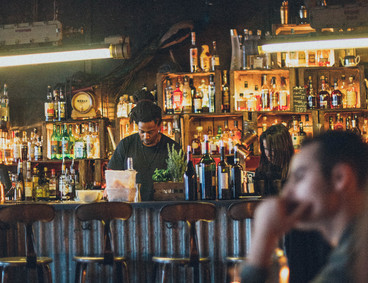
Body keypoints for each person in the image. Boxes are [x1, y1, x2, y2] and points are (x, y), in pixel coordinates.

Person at [241, 130, 368, 283]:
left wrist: (263, 237)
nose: (286, 193)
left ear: (340, 177)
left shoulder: (353, 261)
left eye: (299, 177)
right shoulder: (352, 247)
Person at [108, 90, 181, 201]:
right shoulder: (126, 145)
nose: (146, 136)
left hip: (165, 208)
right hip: (131, 209)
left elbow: (183, 183)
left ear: (159, 125)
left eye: (150, 132)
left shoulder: (173, 149)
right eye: (142, 131)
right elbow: (112, 177)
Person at [255, 124, 294, 196]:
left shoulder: (297, 171)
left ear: (284, 147)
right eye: (266, 149)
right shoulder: (261, 172)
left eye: (272, 149)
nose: (268, 154)